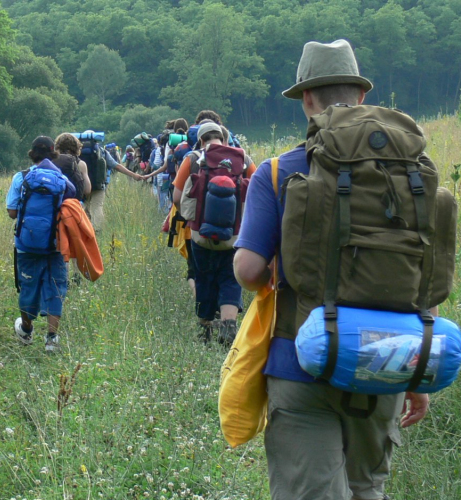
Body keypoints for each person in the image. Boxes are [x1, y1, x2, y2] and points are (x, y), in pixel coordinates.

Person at [233, 40, 429, 500]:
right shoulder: (412, 172)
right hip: (388, 359)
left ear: (307, 100)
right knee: (366, 488)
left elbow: (246, 269)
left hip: (301, 362)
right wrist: (417, 371)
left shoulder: (279, 172)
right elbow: (424, 274)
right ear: (361, 96)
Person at [172, 121, 248, 345]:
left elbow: (177, 197)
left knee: (203, 277)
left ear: (201, 140)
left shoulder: (193, 159)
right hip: (233, 235)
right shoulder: (242, 158)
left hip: (200, 235)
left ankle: (205, 329)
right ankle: (228, 326)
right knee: (230, 278)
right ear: (224, 139)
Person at [6, 136, 77, 352]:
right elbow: (73, 208)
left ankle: (26, 331)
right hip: (55, 245)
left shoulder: (21, 178)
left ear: (32, 153)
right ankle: (51, 339)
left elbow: (11, 212)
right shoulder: (62, 180)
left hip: (26, 245)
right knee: (55, 287)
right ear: (53, 153)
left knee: (28, 286)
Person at [54, 132, 92, 201]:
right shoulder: (81, 164)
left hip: (56, 202)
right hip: (73, 203)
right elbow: (87, 190)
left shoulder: (52, 162)